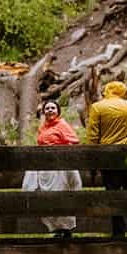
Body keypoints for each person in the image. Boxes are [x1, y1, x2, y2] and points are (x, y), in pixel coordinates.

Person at [86, 80, 127, 239]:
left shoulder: (97, 107)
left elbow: (93, 136)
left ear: (106, 91)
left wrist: (93, 160)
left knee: (112, 194)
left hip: (107, 156)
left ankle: (118, 232)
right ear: (122, 91)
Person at [22, 98, 82, 241]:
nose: (50, 110)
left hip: (59, 165)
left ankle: (65, 229)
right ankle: (55, 228)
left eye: (53, 108)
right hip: (46, 164)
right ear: (43, 112)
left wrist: (61, 151)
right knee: (46, 194)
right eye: (47, 108)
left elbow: (74, 140)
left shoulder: (62, 124)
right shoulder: (43, 127)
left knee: (61, 193)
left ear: (58, 111)